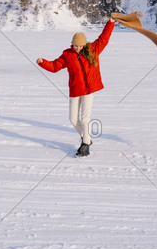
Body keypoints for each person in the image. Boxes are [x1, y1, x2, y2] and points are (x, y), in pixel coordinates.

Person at [36, 17, 116, 157]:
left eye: (80, 46)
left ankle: (85, 145)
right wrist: (43, 62)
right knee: (73, 119)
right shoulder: (67, 55)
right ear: (72, 45)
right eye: (75, 46)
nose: (77, 48)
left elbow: (104, 38)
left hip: (89, 90)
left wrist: (111, 23)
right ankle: (88, 138)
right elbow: (55, 66)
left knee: (85, 119)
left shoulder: (93, 49)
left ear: (84, 45)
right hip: (75, 90)